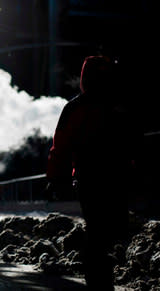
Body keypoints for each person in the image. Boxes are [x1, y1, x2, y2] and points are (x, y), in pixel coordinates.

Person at [46, 55, 140, 290]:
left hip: (91, 177)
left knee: (99, 230)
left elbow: (61, 146)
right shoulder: (119, 105)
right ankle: (101, 278)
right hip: (116, 176)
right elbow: (135, 141)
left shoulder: (76, 107)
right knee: (106, 229)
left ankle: (99, 278)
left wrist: (58, 178)